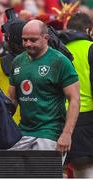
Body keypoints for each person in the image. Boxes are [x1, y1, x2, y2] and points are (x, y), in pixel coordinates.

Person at [8, 19, 80, 159]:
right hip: (23, 133)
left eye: (33, 40)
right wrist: (3, 125)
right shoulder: (17, 62)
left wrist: (66, 134)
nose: (28, 44)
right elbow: (12, 99)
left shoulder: (59, 61)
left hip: (50, 134)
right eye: (25, 40)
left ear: (46, 38)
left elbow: (74, 99)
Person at [59, 13, 93, 178]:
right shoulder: (90, 48)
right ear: (88, 30)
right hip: (87, 118)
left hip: (60, 117)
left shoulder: (56, 49)